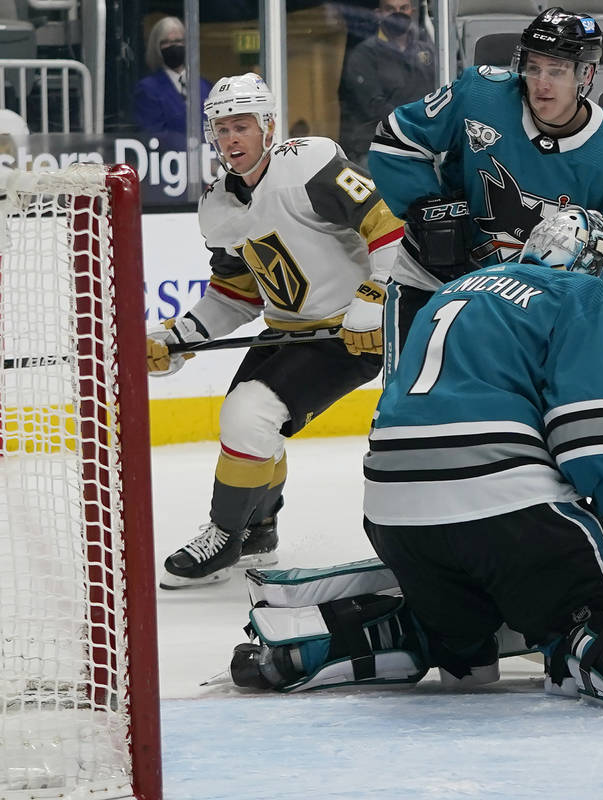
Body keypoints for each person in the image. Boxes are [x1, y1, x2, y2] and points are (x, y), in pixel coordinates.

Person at [225, 208, 603, 711]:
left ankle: (333, 644)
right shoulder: (588, 294)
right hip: (503, 504)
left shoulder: (451, 292)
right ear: (599, 266)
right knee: (585, 614)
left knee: (464, 657)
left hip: (394, 513)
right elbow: (590, 440)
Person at [145, 74, 405, 588]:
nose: (231, 140)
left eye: (242, 126)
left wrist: (375, 299)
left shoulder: (307, 167)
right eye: (221, 130)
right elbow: (236, 294)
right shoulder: (218, 206)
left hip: (346, 335)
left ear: (267, 127)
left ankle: (224, 535)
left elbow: (388, 224)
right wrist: (179, 338)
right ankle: (258, 528)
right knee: (251, 426)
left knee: (250, 414)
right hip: (287, 332)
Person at [367, 7, 603, 413]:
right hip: (432, 281)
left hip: (526, 307)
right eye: (533, 66)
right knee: (405, 411)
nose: (541, 83)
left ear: (585, 77)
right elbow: (394, 141)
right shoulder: (481, 93)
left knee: (511, 423)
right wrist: (430, 208)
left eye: (557, 70)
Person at [337, 0, 437, 167]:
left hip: (426, 149)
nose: (397, 14)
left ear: (411, 11)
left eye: (403, 8)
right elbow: (375, 106)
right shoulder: (364, 55)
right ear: (378, 14)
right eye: (390, 9)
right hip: (379, 152)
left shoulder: (428, 52)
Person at [132, 16, 212, 150]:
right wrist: (196, 154)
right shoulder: (147, 89)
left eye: (178, 41)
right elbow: (154, 133)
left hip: (209, 165)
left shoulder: (204, 86)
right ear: (156, 47)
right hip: (169, 164)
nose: (173, 46)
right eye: (166, 42)